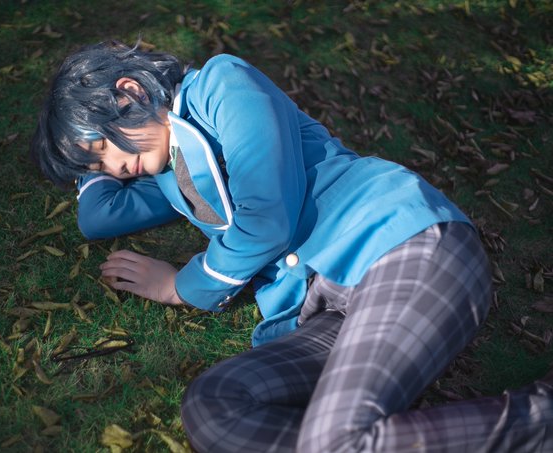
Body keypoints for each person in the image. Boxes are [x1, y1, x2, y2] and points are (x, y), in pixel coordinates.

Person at [30, 41, 553, 452]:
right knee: (215, 407)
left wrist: (181, 286)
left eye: (104, 148)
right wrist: (82, 155)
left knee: (334, 440)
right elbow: (99, 217)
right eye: (98, 164)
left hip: (401, 247)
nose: (114, 168)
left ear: (129, 91)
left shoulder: (220, 85)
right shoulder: (164, 172)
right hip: (323, 309)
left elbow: (267, 219)